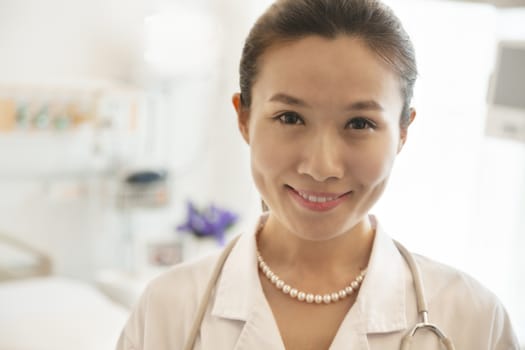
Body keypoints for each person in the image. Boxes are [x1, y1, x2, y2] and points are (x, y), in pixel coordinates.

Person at [116, 0, 520, 349]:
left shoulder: (473, 318)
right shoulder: (167, 310)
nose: (321, 167)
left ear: (402, 132)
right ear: (244, 118)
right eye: (290, 117)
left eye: (359, 123)